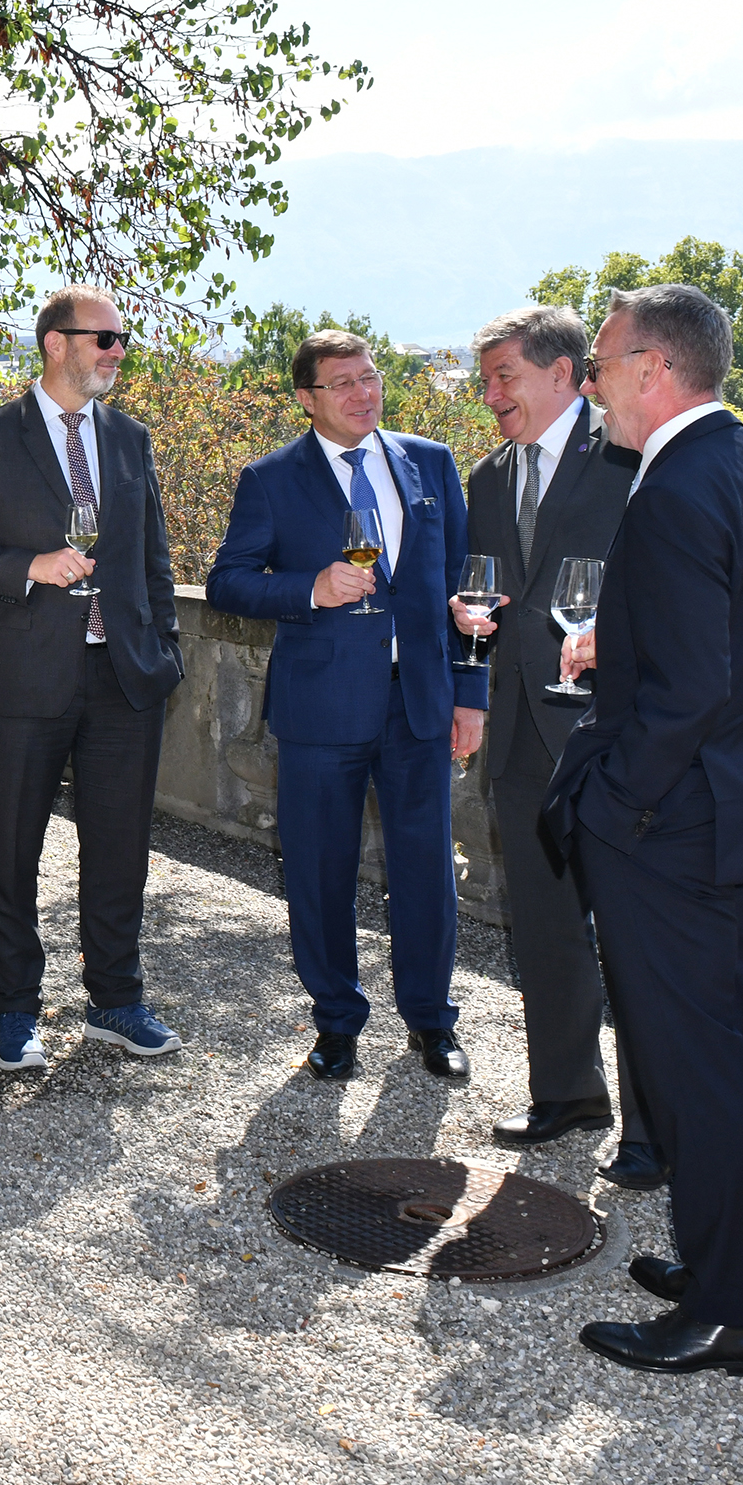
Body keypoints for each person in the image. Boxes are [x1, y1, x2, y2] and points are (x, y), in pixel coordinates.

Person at [548, 285, 743, 1378]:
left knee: (699, 1070)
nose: (595, 383)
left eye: (605, 363)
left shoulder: (671, 490)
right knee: (738, 1063)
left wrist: (618, 803)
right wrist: (635, 645)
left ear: (655, 369)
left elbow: (691, 690)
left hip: (680, 832)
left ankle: (735, 1309)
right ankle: (735, 1263)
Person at [205, 330, 484, 1082]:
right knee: (320, 874)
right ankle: (336, 1022)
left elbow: (469, 587)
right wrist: (308, 589)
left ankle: (431, 1023)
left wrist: (471, 691)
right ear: (307, 399)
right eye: (343, 384)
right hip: (321, 709)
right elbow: (228, 581)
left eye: (370, 378)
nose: (365, 394)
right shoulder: (270, 480)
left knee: (425, 871)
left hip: (418, 705)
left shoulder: (429, 462)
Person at [0, 287, 184, 1071]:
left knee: (121, 850)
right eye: (104, 339)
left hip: (124, 680)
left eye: (121, 340)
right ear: (54, 344)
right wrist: (29, 568)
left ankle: (116, 999)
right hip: (28, 680)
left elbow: (156, 560)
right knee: (13, 850)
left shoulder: (131, 440)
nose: (117, 351)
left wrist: (163, 652)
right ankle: (15, 1009)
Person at [456, 306, 660, 1187]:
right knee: (542, 925)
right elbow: (485, 594)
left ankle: (653, 1129)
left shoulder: (633, 456)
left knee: (635, 936)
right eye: (487, 380)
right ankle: (566, 1093)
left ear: (566, 372)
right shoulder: (488, 480)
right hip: (522, 740)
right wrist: (464, 622)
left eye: (505, 376)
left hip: (616, 736)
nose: (491, 394)